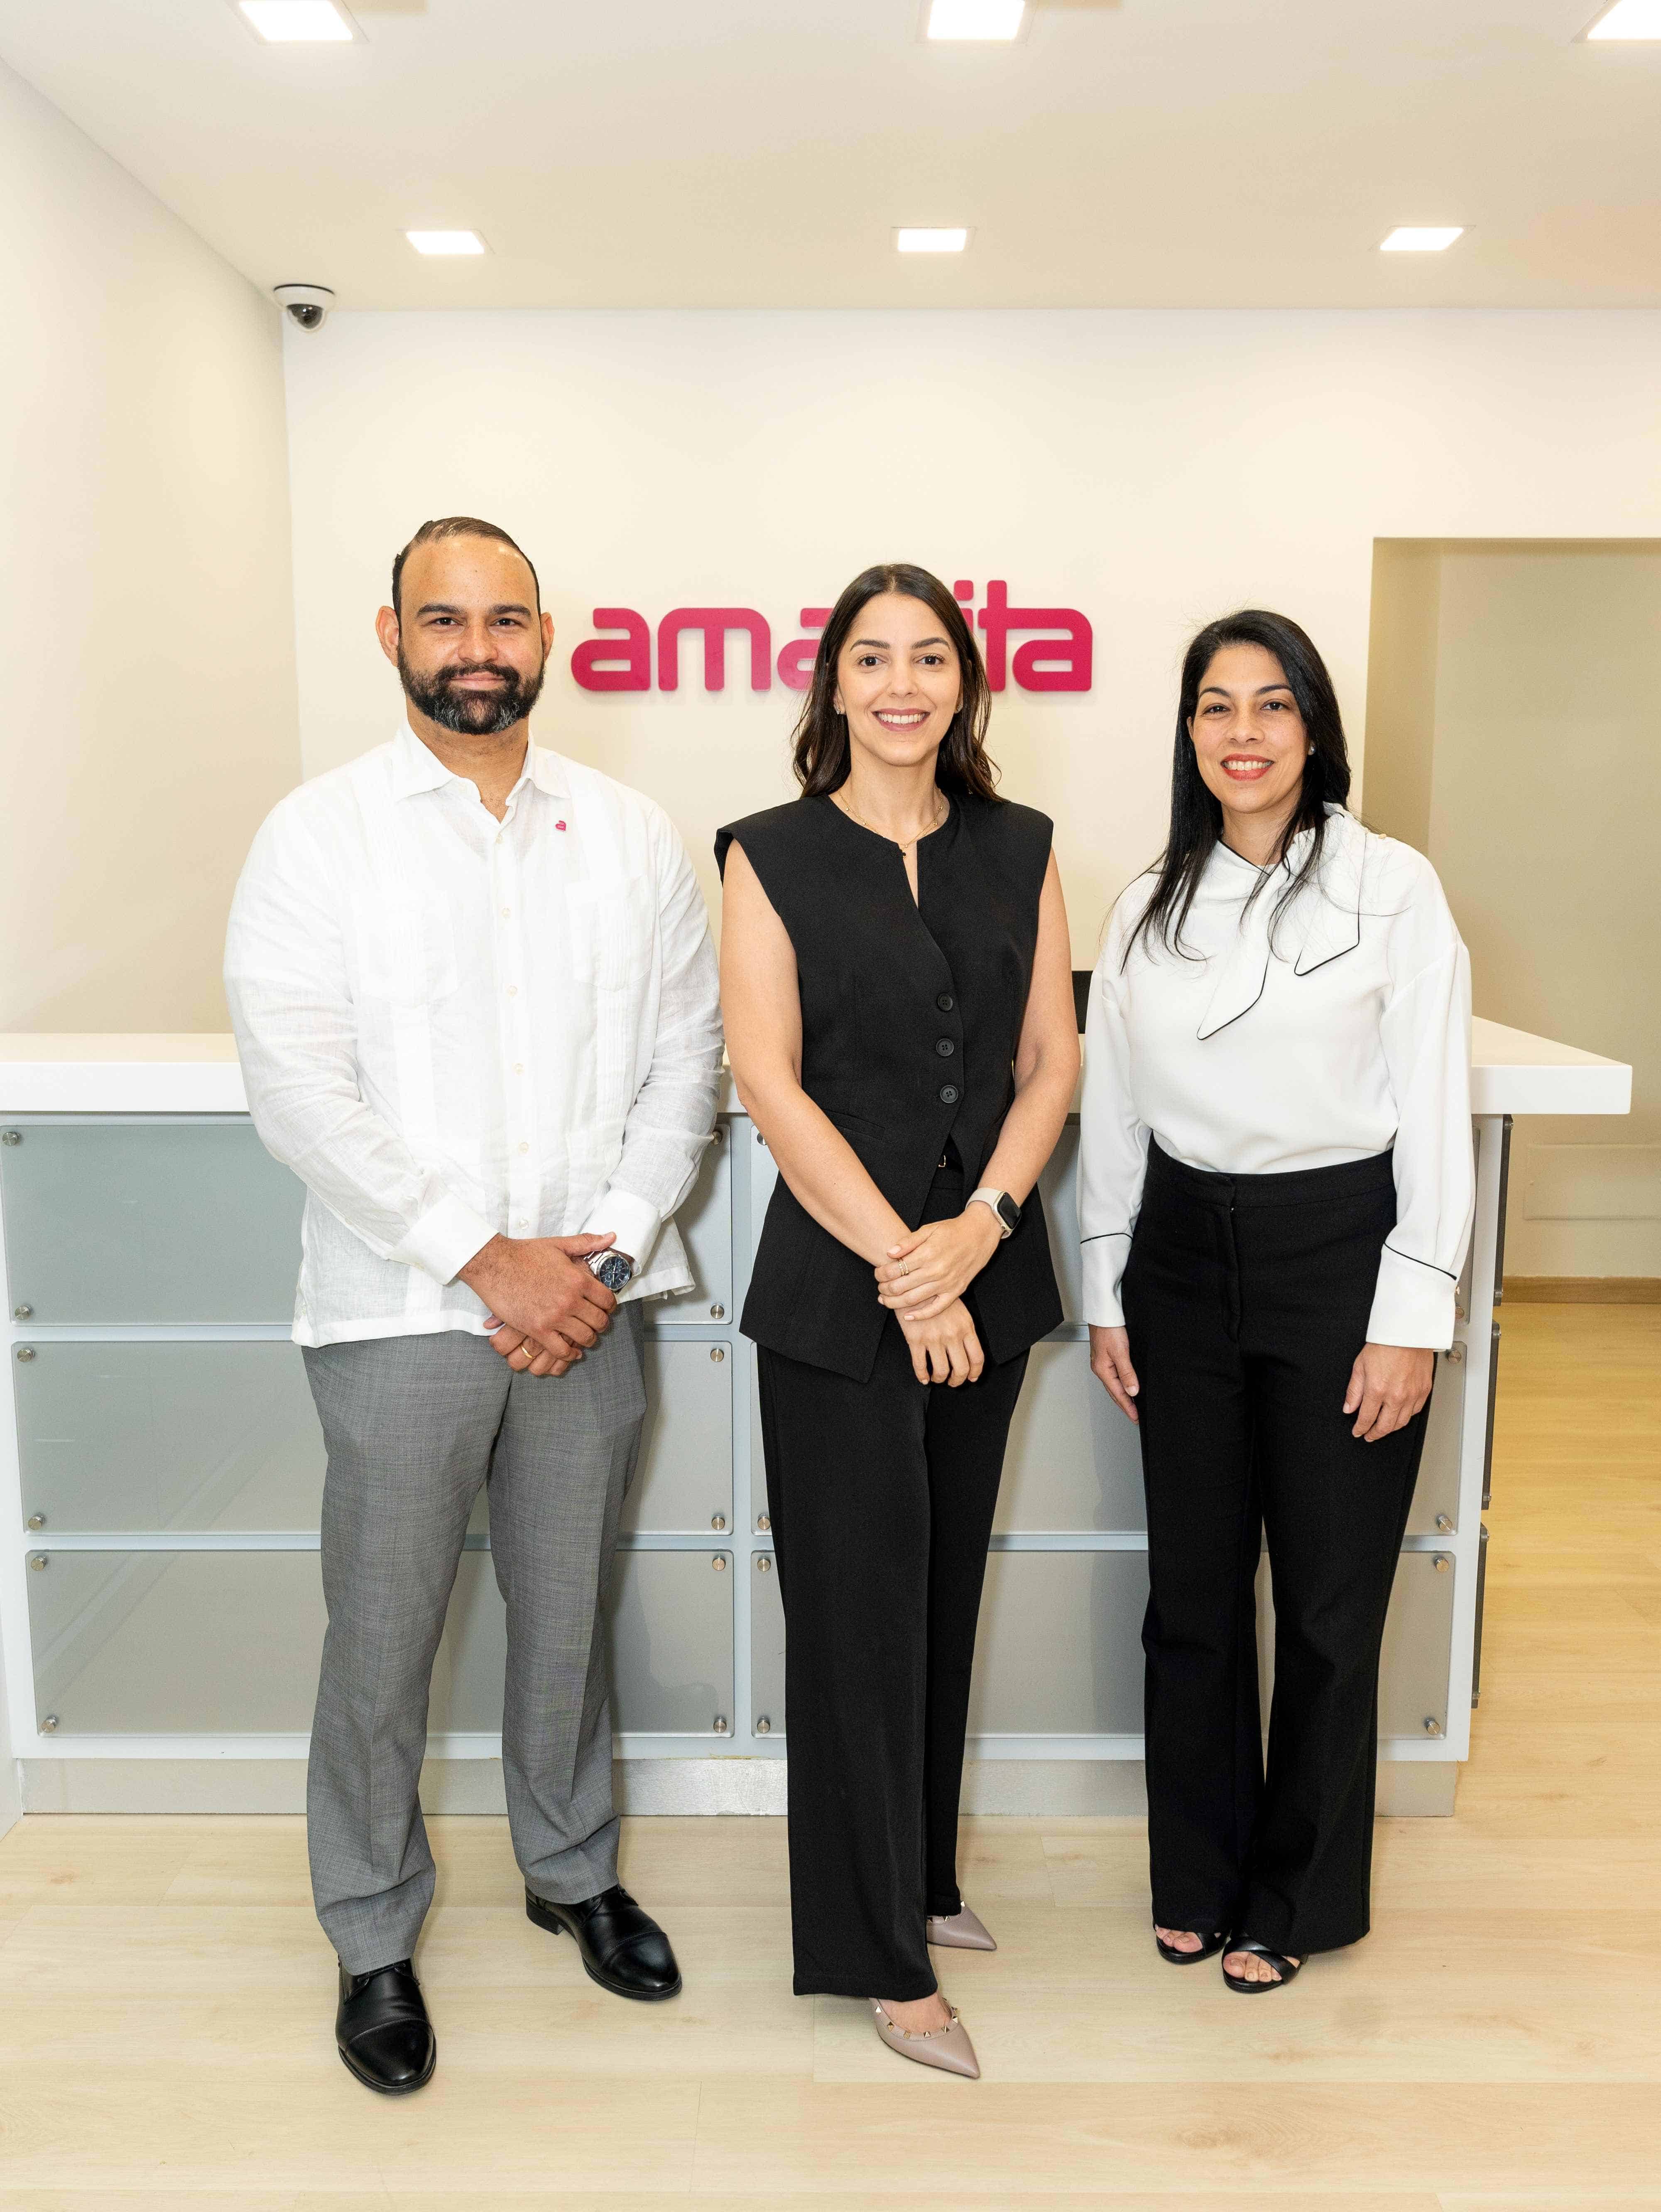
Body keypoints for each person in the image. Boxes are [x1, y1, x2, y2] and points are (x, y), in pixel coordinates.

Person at [225, 515, 723, 2093]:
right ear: (391, 637)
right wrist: (484, 1257)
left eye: (505, 618)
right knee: (381, 1639)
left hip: (592, 1303)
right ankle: (373, 1933)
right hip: (396, 1312)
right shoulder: (318, 836)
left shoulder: (635, 836)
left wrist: (609, 1250)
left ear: (545, 633)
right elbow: (299, 1090)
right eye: (444, 620)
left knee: (565, 1618)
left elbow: (683, 1066)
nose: (478, 648)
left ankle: (571, 1873)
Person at [717, 562, 1078, 2078]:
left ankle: (920, 1882)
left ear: (966, 681)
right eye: (873, 659)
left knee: (937, 1596)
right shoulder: (768, 853)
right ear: (832, 686)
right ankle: (879, 1957)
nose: (902, 685)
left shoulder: (1026, 846)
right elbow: (768, 1080)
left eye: (929, 657)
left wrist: (978, 1231)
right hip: (841, 1300)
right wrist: (904, 1263)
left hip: (984, 1270)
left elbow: (1050, 1061)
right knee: (857, 1623)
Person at [1081, 609, 1473, 1993]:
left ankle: (1297, 1898)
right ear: (1189, 734)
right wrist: (1106, 1289)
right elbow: (1114, 1111)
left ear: (1315, 729)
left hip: (1340, 1256)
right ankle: (1195, 1875)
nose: (1241, 734)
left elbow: (1432, 1110)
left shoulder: (1394, 890)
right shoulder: (1145, 904)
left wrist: (1410, 1316)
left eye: (1271, 706)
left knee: (1322, 1603)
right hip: (1181, 1258)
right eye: (1213, 707)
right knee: (1190, 1593)